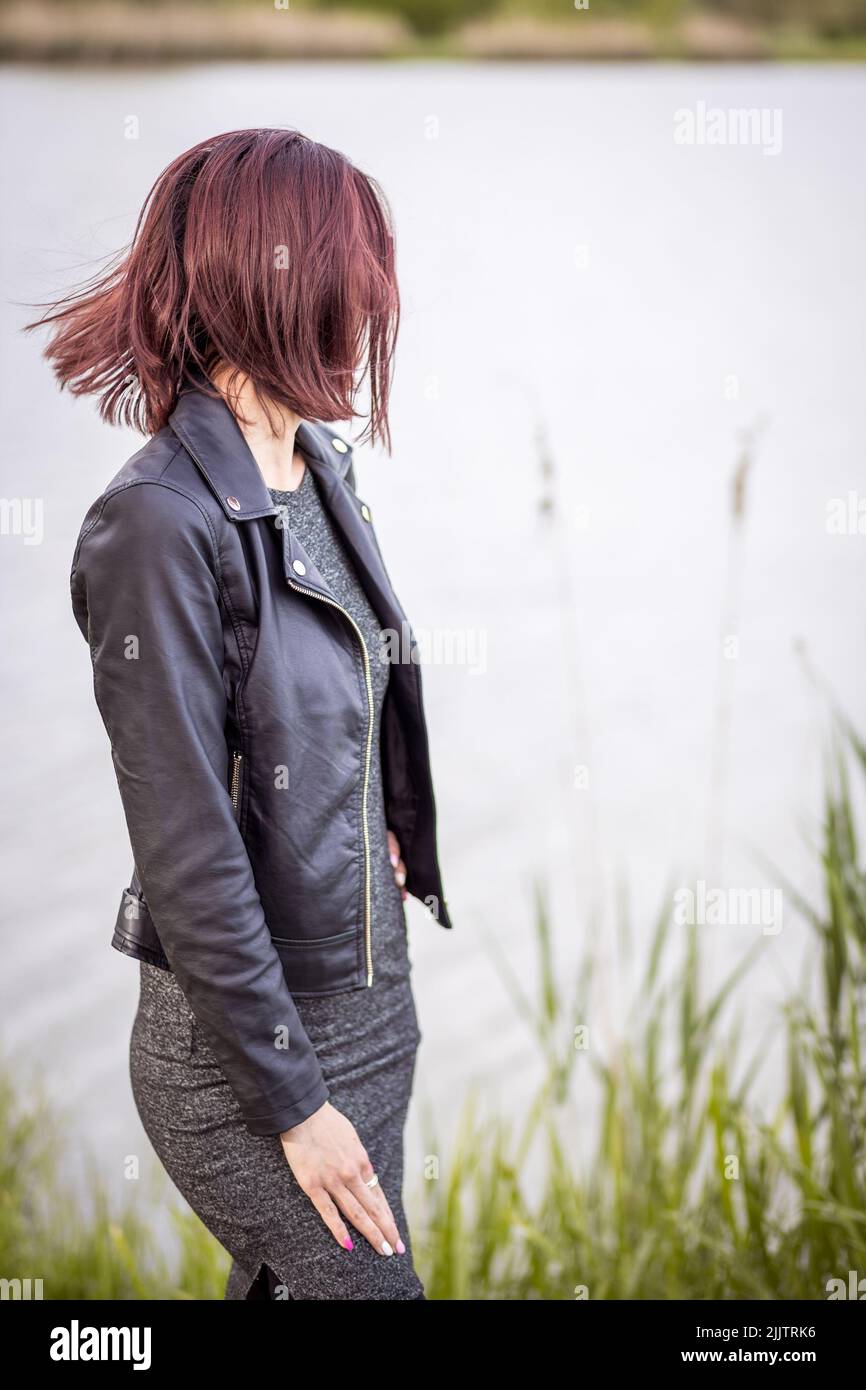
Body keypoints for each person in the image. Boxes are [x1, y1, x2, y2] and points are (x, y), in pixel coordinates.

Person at [31, 127, 452, 1300]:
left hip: (368, 999)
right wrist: (294, 1103)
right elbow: (184, 844)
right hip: (247, 1055)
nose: (370, 310)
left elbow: (346, 682)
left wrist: (380, 823)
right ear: (281, 287)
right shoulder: (157, 524)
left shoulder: (315, 467)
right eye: (351, 280)